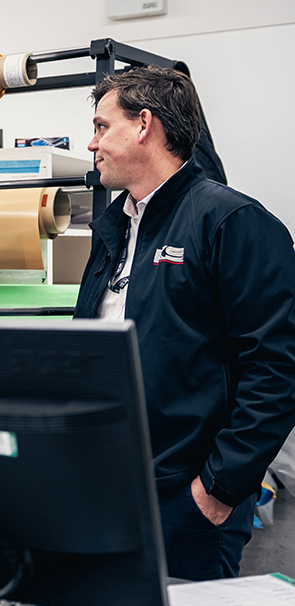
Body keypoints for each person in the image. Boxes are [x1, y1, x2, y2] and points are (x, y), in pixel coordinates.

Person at [74, 66, 295, 580]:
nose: (92, 143)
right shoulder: (115, 228)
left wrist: (216, 490)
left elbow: (276, 370)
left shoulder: (231, 222)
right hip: (107, 482)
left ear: (144, 124)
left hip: (186, 498)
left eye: (103, 126)